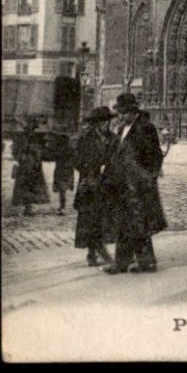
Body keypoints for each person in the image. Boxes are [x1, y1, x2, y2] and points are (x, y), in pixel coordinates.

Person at [101, 93, 167, 274]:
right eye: (119, 113)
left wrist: (148, 178)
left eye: (123, 113)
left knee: (139, 223)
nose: (120, 116)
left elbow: (156, 157)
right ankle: (124, 262)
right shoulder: (123, 129)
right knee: (126, 222)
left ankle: (145, 262)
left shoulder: (146, 128)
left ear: (133, 111)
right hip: (124, 184)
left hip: (139, 185)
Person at [74, 106, 115, 267]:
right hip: (89, 183)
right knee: (90, 218)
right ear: (96, 124)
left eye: (108, 122)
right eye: (103, 122)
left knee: (101, 217)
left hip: (106, 183)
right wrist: (90, 170)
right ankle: (96, 253)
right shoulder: (86, 138)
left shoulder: (112, 138)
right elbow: (77, 160)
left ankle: (95, 252)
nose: (106, 124)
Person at [11, 118, 49, 217]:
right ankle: (28, 207)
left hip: (32, 166)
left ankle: (29, 207)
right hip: (27, 166)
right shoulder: (23, 139)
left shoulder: (33, 139)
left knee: (30, 186)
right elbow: (15, 151)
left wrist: (36, 156)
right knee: (27, 185)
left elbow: (40, 151)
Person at [51, 131, 75, 216]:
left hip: (60, 170)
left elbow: (53, 157)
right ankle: (62, 207)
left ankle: (62, 207)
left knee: (62, 190)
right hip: (68, 170)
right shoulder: (71, 149)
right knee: (63, 190)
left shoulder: (59, 150)